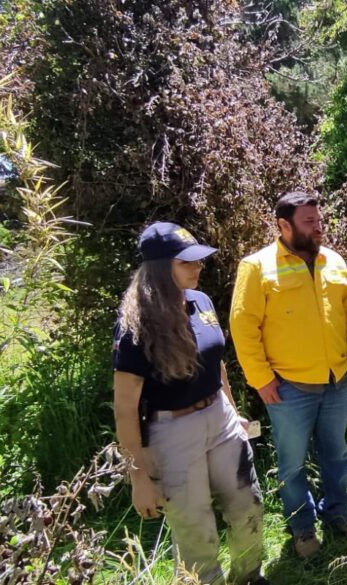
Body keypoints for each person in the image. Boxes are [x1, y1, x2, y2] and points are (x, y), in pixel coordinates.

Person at [112, 222, 266, 585]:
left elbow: (217, 364)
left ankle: (248, 577)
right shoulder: (137, 326)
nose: (199, 267)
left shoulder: (201, 301)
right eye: (188, 262)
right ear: (161, 268)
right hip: (173, 432)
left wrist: (231, 410)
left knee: (249, 505)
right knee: (196, 529)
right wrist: (138, 476)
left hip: (220, 418)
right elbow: (124, 407)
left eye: (198, 260)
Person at [229, 191, 347, 560]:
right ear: (283, 225)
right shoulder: (258, 266)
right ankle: (302, 528)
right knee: (291, 465)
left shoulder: (334, 261)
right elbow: (243, 326)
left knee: (337, 455)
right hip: (290, 388)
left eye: (319, 220)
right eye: (309, 222)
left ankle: (338, 513)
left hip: (336, 382)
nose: (318, 227)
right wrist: (261, 378)